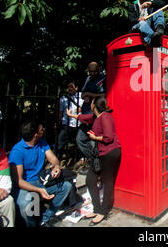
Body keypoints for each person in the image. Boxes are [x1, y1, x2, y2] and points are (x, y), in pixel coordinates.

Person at [67, 96, 121, 225]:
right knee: (90, 179)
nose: (90, 104)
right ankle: (97, 208)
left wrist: (94, 137)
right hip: (100, 154)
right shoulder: (97, 116)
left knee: (107, 181)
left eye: (91, 102)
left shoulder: (106, 117)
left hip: (110, 153)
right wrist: (72, 115)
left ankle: (103, 212)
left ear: (94, 105)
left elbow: (108, 137)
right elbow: (85, 118)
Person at [9, 121, 72, 227]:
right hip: (25, 186)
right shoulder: (17, 151)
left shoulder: (42, 143)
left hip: (40, 181)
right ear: (35, 135)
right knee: (26, 204)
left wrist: (56, 166)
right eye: (41, 129)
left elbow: (53, 158)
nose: (44, 130)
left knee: (66, 187)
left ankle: (45, 218)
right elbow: (18, 181)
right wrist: (38, 190)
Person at [76, 62, 106, 174]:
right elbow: (83, 93)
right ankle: (93, 161)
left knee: (94, 141)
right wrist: (85, 95)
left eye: (95, 71)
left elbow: (104, 95)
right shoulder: (88, 79)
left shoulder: (103, 79)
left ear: (99, 70)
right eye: (90, 71)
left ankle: (96, 166)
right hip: (86, 115)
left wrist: (90, 94)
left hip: (96, 115)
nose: (92, 73)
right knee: (80, 139)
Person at [56, 82, 83, 164]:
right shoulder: (63, 99)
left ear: (76, 88)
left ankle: (81, 159)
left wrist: (81, 110)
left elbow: (88, 108)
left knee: (80, 142)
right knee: (60, 142)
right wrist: (58, 121)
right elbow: (60, 112)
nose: (70, 89)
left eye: (71, 87)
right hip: (66, 123)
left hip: (79, 123)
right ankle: (57, 159)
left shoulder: (82, 97)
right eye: (68, 87)